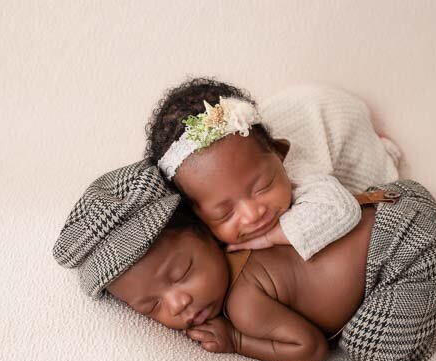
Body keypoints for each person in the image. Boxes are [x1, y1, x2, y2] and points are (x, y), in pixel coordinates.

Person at [53, 161, 436, 361]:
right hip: (390, 199)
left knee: (370, 350)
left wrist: (237, 342)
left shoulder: (244, 306)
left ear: (205, 231)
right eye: (150, 307)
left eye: (180, 274)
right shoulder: (245, 226)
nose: (177, 303)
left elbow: (311, 348)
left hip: (410, 252)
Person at [146, 78, 400, 260]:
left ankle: (382, 146)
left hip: (336, 119)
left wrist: (271, 237)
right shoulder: (219, 184)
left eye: (262, 187)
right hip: (296, 108)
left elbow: (342, 209)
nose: (252, 214)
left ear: (279, 153)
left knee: (378, 205)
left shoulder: (293, 168)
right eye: (224, 213)